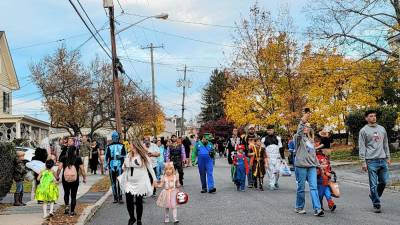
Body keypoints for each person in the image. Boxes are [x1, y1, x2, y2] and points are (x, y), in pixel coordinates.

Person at [359, 110, 391, 213]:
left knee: (384, 181)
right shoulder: (363, 131)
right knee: (373, 184)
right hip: (371, 161)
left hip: (382, 160)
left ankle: (373, 195)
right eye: (371, 116)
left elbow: (385, 144)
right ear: (366, 118)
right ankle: (376, 204)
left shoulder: (382, 129)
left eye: (374, 116)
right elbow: (362, 147)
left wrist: (388, 157)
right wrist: (363, 162)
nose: (373, 118)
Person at [119, 138, 156, 225]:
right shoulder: (128, 155)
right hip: (129, 182)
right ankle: (132, 218)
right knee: (129, 201)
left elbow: (150, 168)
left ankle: (139, 220)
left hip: (140, 182)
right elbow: (123, 167)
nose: (129, 145)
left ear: (135, 145)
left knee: (139, 202)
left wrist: (154, 179)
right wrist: (124, 166)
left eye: (131, 144)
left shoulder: (143, 156)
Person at [293, 111, 324, 217]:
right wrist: (303, 120)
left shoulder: (311, 140)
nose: (306, 127)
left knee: (314, 187)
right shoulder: (297, 138)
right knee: (301, 188)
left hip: (311, 166)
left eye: (308, 126)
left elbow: (313, 154)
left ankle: (317, 209)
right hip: (301, 166)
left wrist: (319, 165)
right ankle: (299, 207)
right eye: (305, 126)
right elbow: (299, 131)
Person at [56, 147, 86, 216]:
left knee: (66, 193)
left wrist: (57, 176)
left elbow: (59, 168)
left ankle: (66, 207)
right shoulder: (78, 158)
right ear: (75, 151)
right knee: (73, 195)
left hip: (65, 179)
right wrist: (84, 178)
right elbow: (82, 169)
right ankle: (72, 211)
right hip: (75, 179)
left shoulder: (63, 158)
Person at [106, 131, 126, 203]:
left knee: (120, 182)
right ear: (112, 138)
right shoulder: (109, 146)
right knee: (113, 182)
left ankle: (120, 197)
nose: (115, 138)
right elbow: (106, 156)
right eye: (113, 137)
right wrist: (106, 165)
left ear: (118, 137)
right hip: (111, 165)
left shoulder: (122, 146)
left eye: (116, 137)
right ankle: (115, 197)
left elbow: (125, 155)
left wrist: (121, 157)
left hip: (119, 165)